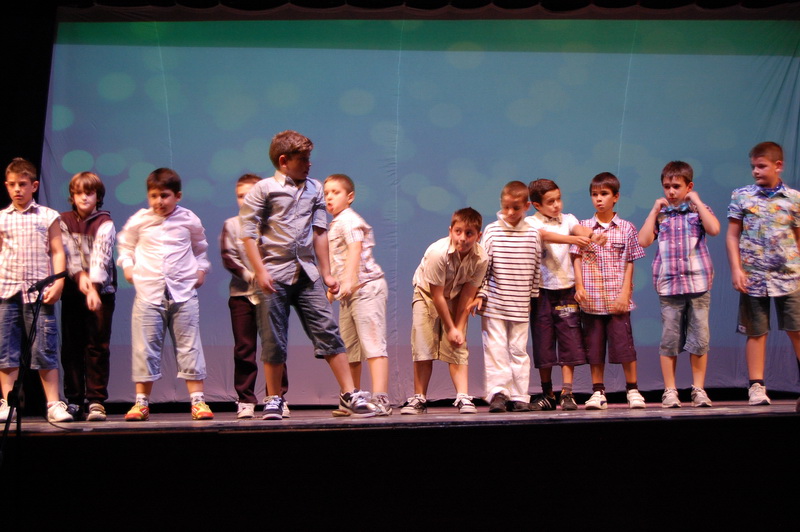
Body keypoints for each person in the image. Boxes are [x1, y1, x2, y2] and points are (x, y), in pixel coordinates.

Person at [239, 130, 374, 420]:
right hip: (274, 274)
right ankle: (274, 398)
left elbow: (319, 232)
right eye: (302, 159)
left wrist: (326, 273)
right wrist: (260, 271)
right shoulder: (263, 189)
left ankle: (349, 393)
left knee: (327, 329)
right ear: (284, 161)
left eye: (309, 158)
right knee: (274, 338)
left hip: (306, 273)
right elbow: (248, 234)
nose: (309, 164)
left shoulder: (315, 188)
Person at [117, 168, 214, 421]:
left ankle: (198, 402)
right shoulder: (140, 220)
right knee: (145, 348)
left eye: (165, 195)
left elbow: (200, 248)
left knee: (190, 347)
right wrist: (127, 266)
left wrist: (201, 270)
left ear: (177, 196)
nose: (159, 201)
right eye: (153, 196)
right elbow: (126, 246)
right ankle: (141, 403)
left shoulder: (189, 219)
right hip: (149, 293)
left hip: (183, 293)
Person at [638, 161, 719, 408]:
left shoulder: (698, 211)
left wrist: (697, 201)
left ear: (688, 187)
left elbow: (714, 229)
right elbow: (643, 241)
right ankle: (670, 390)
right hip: (670, 286)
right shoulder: (661, 215)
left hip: (698, 284)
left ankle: (698, 389)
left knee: (699, 338)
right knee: (669, 339)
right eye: (667, 186)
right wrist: (653, 211)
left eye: (676, 186)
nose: (671, 191)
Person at [726, 141, 800, 408]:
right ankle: (756, 387)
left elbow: (798, 238)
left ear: (778, 166)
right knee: (756, 332)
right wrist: (737, 269)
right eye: (753, 167)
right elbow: (732, 235)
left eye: (761, 166)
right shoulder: (742, 196)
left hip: (789, 276)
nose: (756, 171)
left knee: (797, 329)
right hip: (754, 277)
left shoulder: (794, 199)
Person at [0, 158, 72, 423]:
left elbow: (57, 251)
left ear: (34, 185)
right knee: (5, 349)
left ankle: (53, 403)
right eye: (12, 185)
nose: (17, 189)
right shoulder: (2, 218)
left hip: (40, 293)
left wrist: (59, 282)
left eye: (22, 184)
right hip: (6, 290)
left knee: (44, 348)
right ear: (6, 186)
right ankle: (8, 403)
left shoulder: (47, 216)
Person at [401, 207, 488, 415]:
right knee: (423, 344)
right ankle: (419, 397)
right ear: (450, 231)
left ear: (478, 236)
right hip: (427, 295)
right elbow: (437, 295)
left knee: (458, 344)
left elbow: (468, 294)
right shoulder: (437, 253)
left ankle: (463, 396)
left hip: (457, 296)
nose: (462, 238)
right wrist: (450, 327)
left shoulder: (481, 258)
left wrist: (458, 327)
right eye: (458, 232)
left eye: (469, 233)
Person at [572, 172, 646, 409]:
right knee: (594, 348)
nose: (599, 199)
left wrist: (625, 293)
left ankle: (632, 390)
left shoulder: (626, 228)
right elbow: (575, 257)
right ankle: (598, 391)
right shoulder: (583, 227)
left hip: (617, 299)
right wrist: (579, 286)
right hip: (592, 300)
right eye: (594, 194)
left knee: (624, 346)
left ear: (616, 197)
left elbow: (630, 261)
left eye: (604, 194)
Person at [525, 178, 599, 411]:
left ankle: (567, 392)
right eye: (550, 202)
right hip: (541, 291)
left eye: (558, 199)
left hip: (566, 289)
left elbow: (580, 230)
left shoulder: (568, 219)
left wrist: (591, 234)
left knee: (570, 339)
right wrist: (572, 239)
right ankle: (547, 392)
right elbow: (543, 235)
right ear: (537, 205)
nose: (557, 205)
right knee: (543, 341)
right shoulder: (530, 222)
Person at [221, 174, 289, 419]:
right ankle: (245, 399)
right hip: (242, 295)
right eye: (240, 196)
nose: (245, 200)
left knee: (274, 347)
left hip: (272, 295)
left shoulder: (275, 224)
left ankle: (277, 397)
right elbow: (229, 257)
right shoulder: (232, 225)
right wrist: (252, 276)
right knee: (244, 349)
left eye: (250, 195)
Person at [324, 173, 391, 415]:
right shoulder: (336, 223)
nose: (329, 197)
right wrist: (334, 290)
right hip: (348, 295)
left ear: (350, 197)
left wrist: (349, 281)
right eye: (326, 193)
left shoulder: (350, 220)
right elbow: (338, 262)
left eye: (336, 192)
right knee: (350, 350)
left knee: (373, 345)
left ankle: (381, 399)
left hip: (366, 289)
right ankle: (353, 397)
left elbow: (355, 249)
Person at [474, 181, 541, 413]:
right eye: (506, 207)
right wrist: (481, 293)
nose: (510, 212)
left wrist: (532, 298)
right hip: (495, 303)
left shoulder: (533, 233)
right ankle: (499, 393)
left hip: (520, 304)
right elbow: (483, 267)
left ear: (527, 206)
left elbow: (536, 268)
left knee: (518, 351)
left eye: (516, 208)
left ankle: (520, 395)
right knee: (496, 349)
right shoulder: (492, 231)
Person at [60, 171, 117, 421]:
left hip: (102, 292)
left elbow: (101, 257)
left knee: (97, 346)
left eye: (89, 193)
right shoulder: (63, 220)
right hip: (73, 291)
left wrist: (93, 286)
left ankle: (96, 401)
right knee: (72, 346)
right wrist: (80, 277)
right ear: (72, 196)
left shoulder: (105, 222)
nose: (84, 197)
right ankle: (74, 399)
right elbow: (69, 254)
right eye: (79, 193)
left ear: (98, 196)